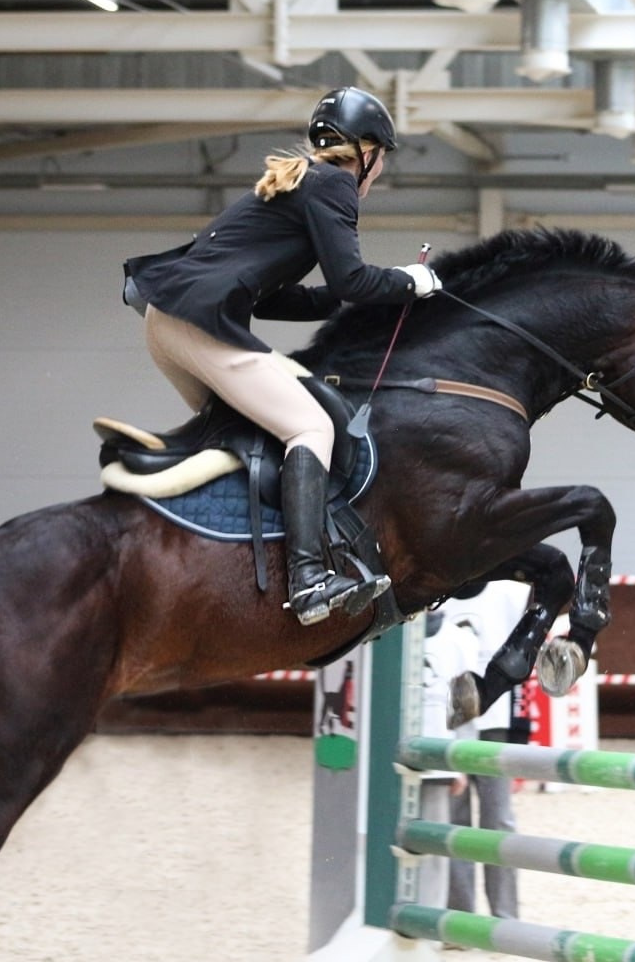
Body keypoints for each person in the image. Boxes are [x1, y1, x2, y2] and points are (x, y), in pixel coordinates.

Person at [121, 86, 442, 626]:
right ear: (366, 153)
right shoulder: (334, 184)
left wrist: (336, 299)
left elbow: (271, 296)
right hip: (196, 322)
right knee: (310, 427)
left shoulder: (300, 181)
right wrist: (410, 282)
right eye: (382, 158)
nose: (380, 170)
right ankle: (309, 577)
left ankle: (228, 551)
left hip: (167, 320)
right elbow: (354, 278)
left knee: (251, 434)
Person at [437, 580, 533, 921]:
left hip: (495, 728)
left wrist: (519, 732)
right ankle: (460, 916)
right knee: (454, 822)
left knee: (498, 822)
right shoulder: (437, 598)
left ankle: (505, 917)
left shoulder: (508, 594)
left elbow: (524, 663)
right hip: (449, 727)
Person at [417, 610, 478, 909]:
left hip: (439, 759)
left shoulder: (458, 640)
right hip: (395, 754)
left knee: (433, 847)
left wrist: (460, 762)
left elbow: (465, 709)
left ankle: (429, 917)